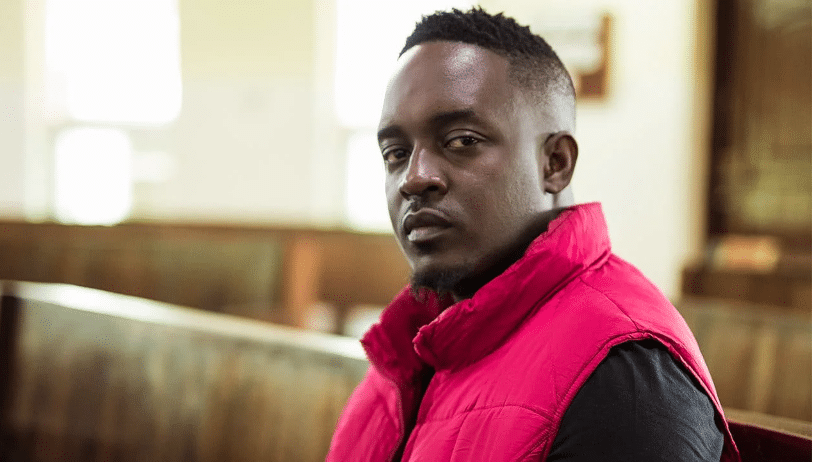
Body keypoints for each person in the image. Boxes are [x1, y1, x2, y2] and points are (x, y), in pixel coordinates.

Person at [327, 7, 740, 461]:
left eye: (462, 140)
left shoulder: (625, 378)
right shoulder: (414, 342)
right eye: (395, 153)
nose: (414, 177)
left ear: (555, 163)